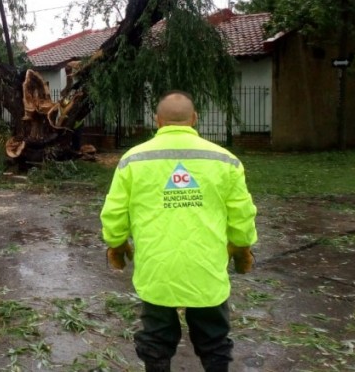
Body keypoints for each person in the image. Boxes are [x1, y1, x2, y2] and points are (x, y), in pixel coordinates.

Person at [100, 90, 257, 372]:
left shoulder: (132, 161)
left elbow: (114, 214)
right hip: (207, 269)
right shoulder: (226, 161)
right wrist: (241, 247)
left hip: (157, 268)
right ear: (195, 119)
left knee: (155, 341)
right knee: (215, 341)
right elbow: (242, 216)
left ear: (157, 121)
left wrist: (117, 243)